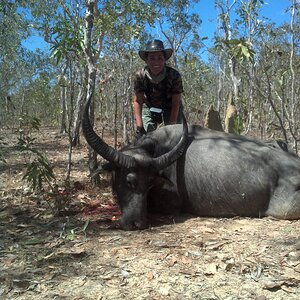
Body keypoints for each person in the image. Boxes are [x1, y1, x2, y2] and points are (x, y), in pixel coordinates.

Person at [133, 39, 184, 139]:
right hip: (149, 106)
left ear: (165, 60)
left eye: (160, 58)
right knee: (148, 139)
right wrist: (139, 127)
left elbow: (175, 103)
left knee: (173, 138)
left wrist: (172, 126)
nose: (156, 62)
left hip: (171, 107)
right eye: (152, 58)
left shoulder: (174, 75)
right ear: (146, 60)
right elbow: (138, 101)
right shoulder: (140, 76)